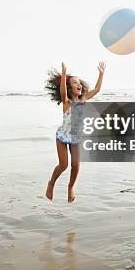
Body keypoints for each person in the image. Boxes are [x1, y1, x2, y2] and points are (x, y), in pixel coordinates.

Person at [45, 61, 106, 202]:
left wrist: (101, 74)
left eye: (79, 82)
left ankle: (70, 187)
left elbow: (96, 89)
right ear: (69, 87)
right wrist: (64, 74)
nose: (78, 84)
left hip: (76, 138)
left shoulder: (83, 99)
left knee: (76, 165)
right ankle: (51, 183)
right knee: (64, 165)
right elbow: (62, 92)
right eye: (74, 82)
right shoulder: (66, 101)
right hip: (61, 137)